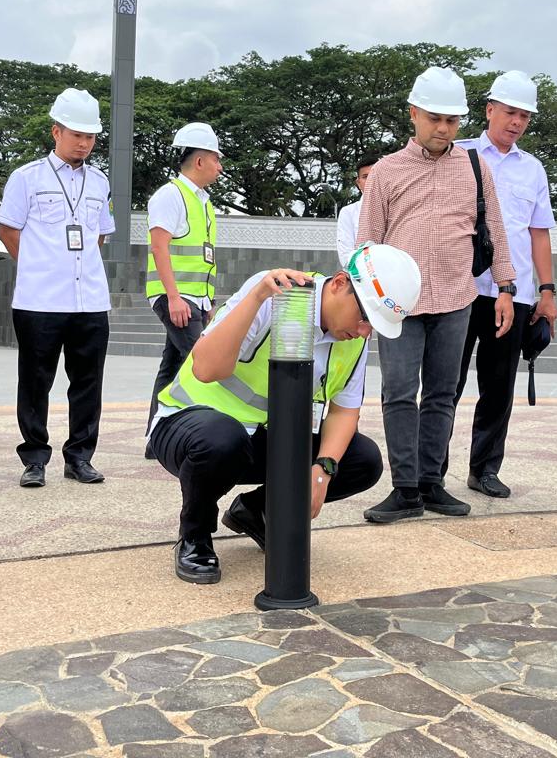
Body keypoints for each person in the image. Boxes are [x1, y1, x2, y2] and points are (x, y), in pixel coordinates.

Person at [148, 243, 420, 583]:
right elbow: (206, 368)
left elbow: (344, 413)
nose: (365, 330)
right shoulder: (275, 293)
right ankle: (195, 535)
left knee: (363, 459)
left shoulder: (354, 338)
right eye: (365, 316)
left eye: (374, 326)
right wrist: (256, 298)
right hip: (190, 427)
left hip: (261, 440)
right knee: (223, 438)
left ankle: (256, 511)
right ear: (339, 283)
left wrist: (324, 468)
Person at [357, 66, 516, 523]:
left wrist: (505, 287)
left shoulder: (473, 165)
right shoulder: (387, 171)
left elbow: (495, 229)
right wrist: (367, 303)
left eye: (451, 120)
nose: (442, 128)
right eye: (433, 118)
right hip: (399, 305)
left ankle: (432, 483)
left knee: (443, 394)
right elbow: (367, 242)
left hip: (457, 297)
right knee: (399, 394)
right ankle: (405, 490)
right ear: (413, 114)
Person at [0, 88, 114, 488]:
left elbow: (99, 235)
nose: (84, 143)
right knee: (35, 381)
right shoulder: (26, 178)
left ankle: (79, 457)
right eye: (76, 134)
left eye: (91, 136)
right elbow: (8, 229)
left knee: (88, 383)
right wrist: (38, 266)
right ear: (56, 132)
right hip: (39, 300)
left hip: (91, 300)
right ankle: (34, 459)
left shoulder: (100, 182)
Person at [450, 70, 557, 498]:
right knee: (446, 385)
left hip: (517, 295)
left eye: (525, 116)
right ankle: (428, 472)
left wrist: (547, 292)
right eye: (510, 112)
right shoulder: (460, 155)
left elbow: (539, 232)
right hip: (460, 288)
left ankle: (485, 468)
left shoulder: (533, 169)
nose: (516, 122)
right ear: (489, 109)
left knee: (499, 387)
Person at [145, 123, 222, 431]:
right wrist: (174, 297)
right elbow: (159, 246)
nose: (220, 167)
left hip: (195, 299)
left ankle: (155, 434)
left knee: (172, 365)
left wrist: (208, 301)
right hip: (175, 298)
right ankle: (201, 431)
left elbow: (204, 257)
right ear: (200, 161)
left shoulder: (204, 202)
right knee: (203, 362)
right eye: (216, 159)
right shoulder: (170, 195)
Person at [336, 154, 382, 267]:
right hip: (360, 275)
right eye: (365, 176)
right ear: (358, 183)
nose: (371, 180)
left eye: (374, 176)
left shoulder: (395, 209)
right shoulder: (348, 212)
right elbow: (346, 255)